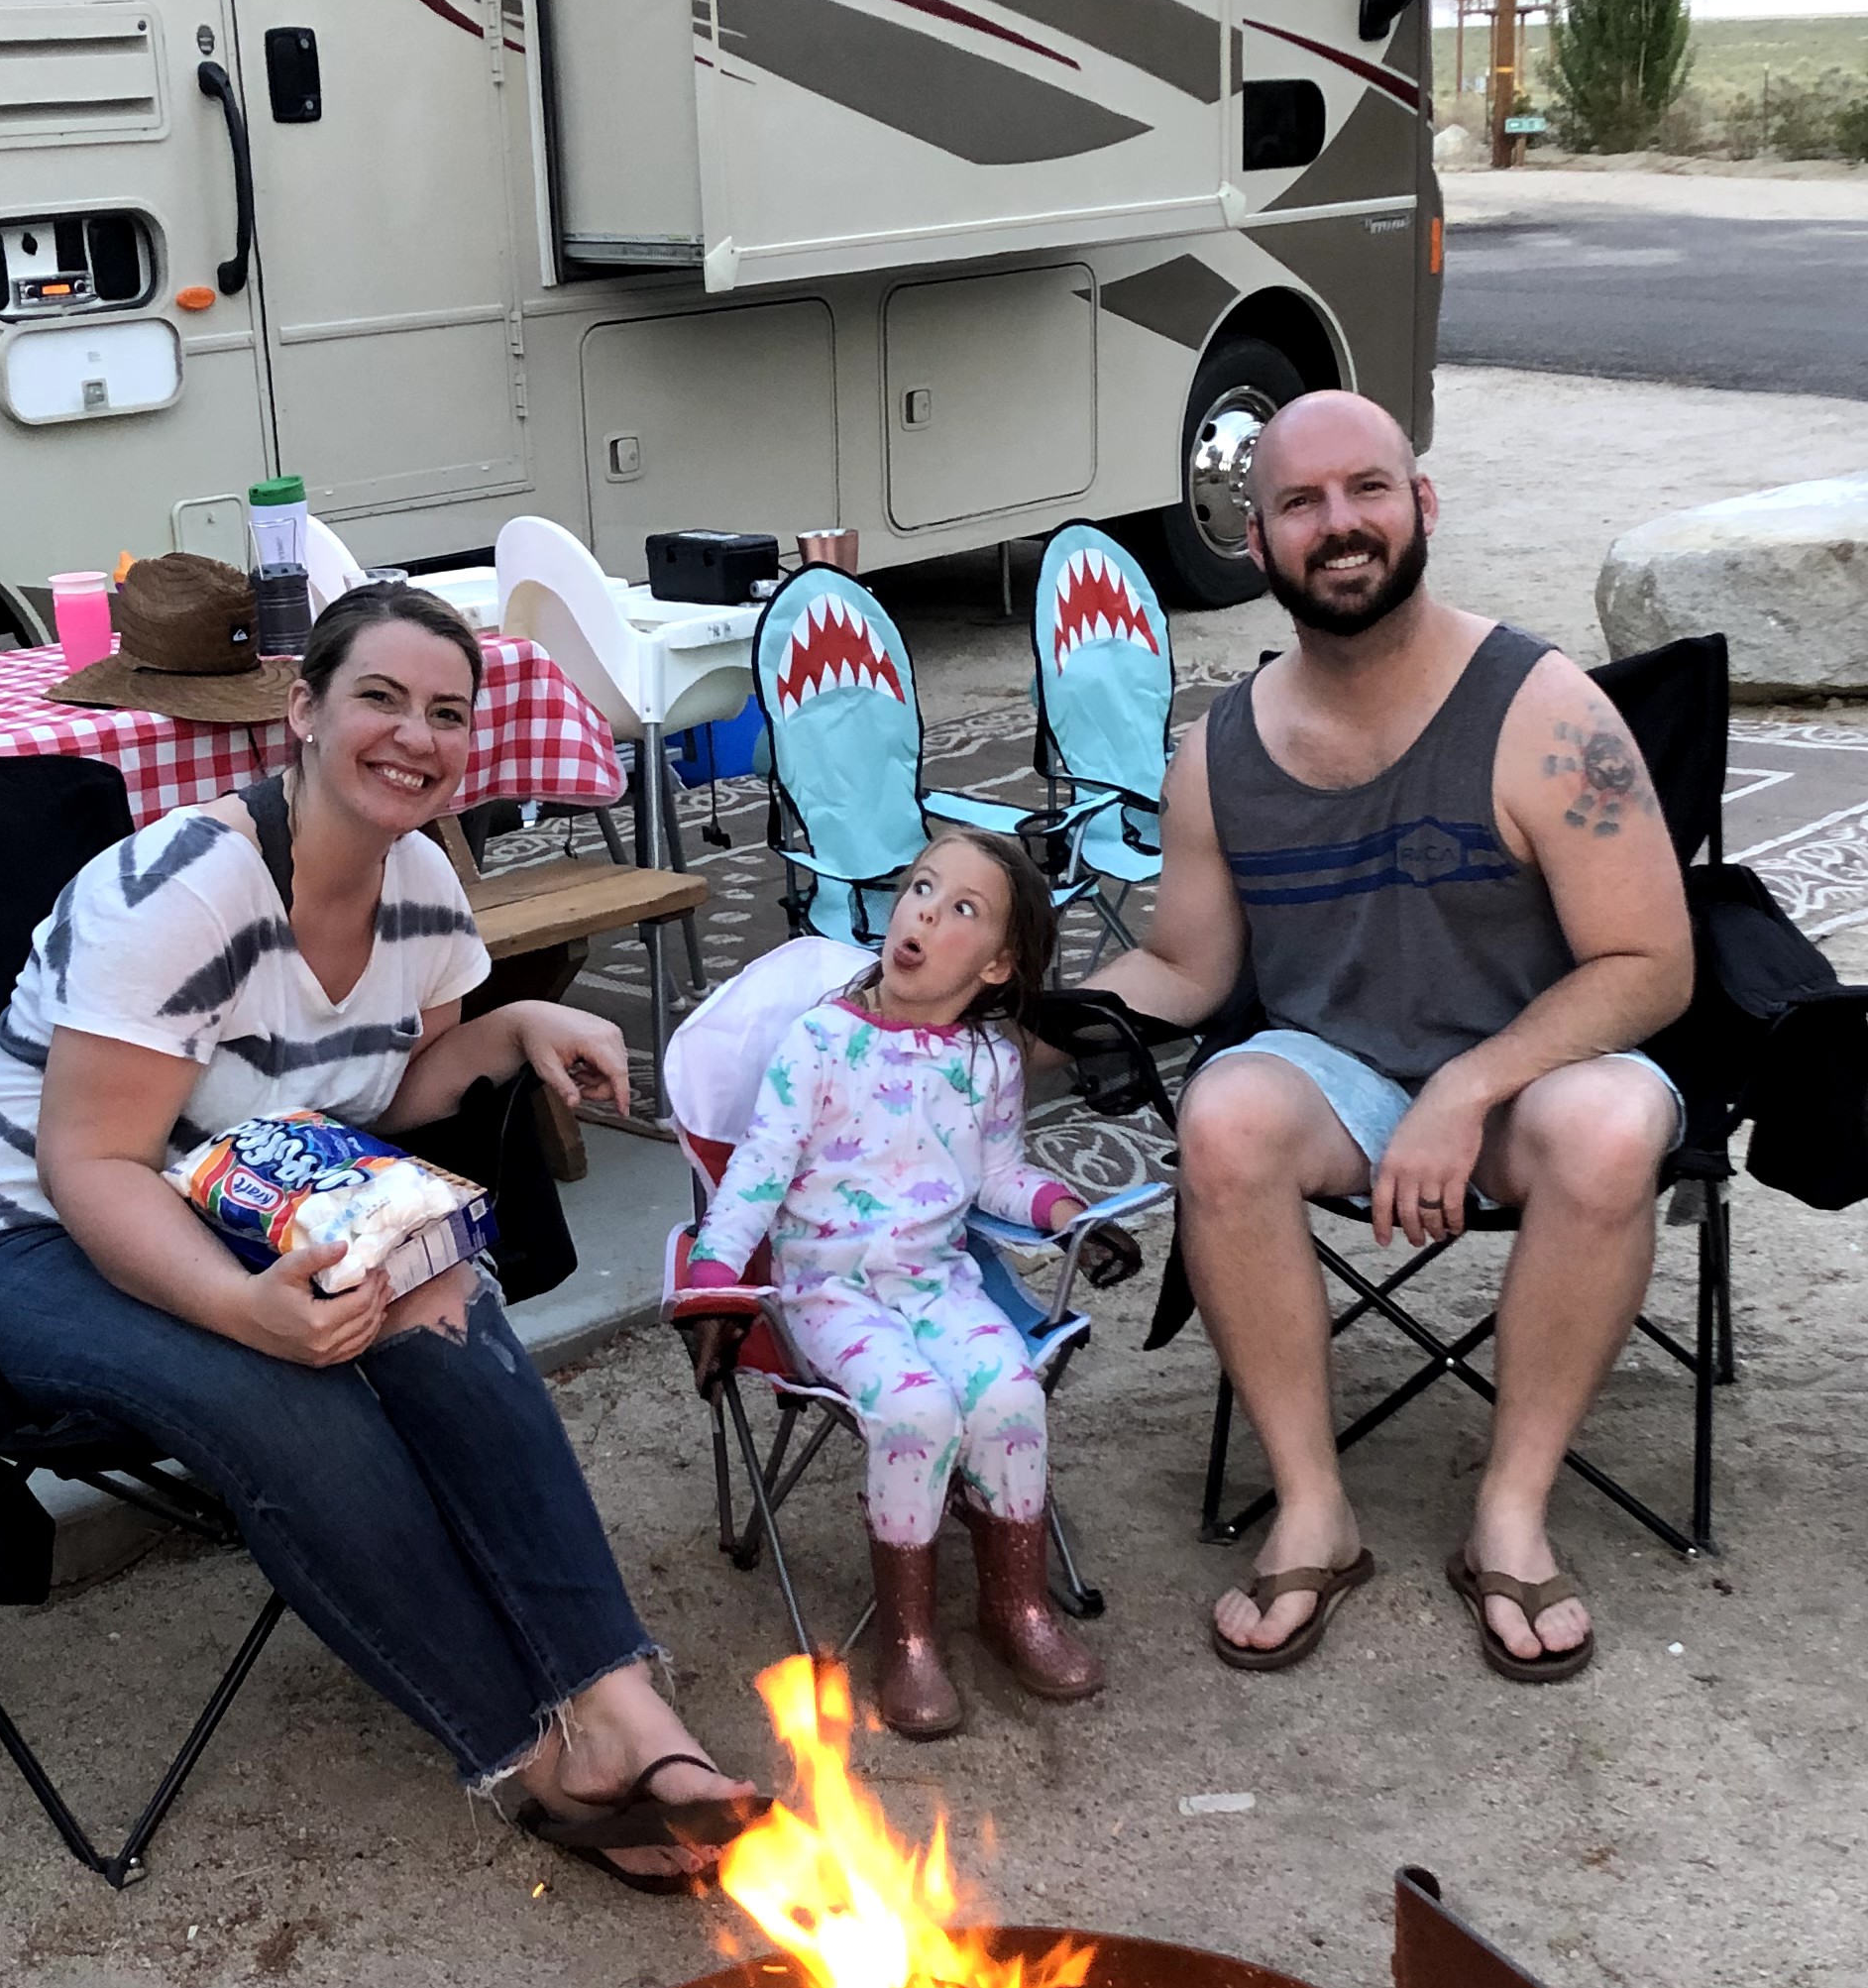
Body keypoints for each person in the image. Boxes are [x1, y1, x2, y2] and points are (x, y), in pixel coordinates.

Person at [0, 580, 757, 1891]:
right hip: (5, 1242)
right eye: (380, 699)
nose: (415, 735)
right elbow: (89, 1163)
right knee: (281, 1386)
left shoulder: (423, 889)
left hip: (226, 1201)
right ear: (303, 711)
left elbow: (371, 1098)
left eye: (447, 713)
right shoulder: (183, 890)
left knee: (443, 1287)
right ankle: (534, 1757)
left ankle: (620, 1704)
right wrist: (247, 1312)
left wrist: (513, 1028)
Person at [1093, 390, 1692, 1685]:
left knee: (1611, 1126)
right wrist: (999, 1028)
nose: (1341, 523)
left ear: (1422, 503)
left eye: (1368, 488)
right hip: (1343, 1081)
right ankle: (1315, 1509)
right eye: (1300, 503)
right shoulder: (1220, 752)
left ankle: (1511, 1514)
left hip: (1533, 1076)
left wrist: (1469, 1088)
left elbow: (1651, 966)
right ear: (1255, 541)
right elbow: (1188, 969)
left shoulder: (1542, 709)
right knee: (1224, 1114)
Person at [680, 829, 1104, 1738]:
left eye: (962, 908)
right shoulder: (822, 1040)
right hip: (825, 1292)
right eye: (921, 888)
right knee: (917, 1409)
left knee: (1010, 1391)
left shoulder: (987, 1060)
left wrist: (1066, 1212)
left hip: (937, 1281)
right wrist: (713, 1286)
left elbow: (996, 1176)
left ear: (997, 965)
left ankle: (1016, 1605)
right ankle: (908, 1638)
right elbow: (756, 1173)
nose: (924, 912)